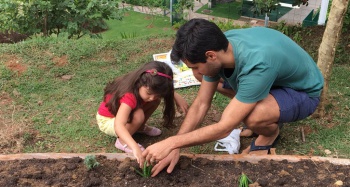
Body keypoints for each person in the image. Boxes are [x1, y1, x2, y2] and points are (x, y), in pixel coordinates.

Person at [142, 18, 324, 176]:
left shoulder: (257, 65)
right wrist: (176, 147)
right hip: (273, 78)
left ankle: (269, 135)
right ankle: (263, 106)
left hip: (302, 91)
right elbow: (201, 104)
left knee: (253, 116)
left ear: (211, 55)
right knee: (204, 76)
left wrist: (171, 142)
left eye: (194, 66)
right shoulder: (221, 44)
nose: (194, 72)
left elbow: (225, 128)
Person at [96, 61, 188, 166]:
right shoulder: (129, 96)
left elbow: (157, 90)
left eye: (157, 94)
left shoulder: (142, 86)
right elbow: (119, 125)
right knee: (138, 115)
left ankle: (139, 128)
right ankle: (122, 142)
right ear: (141, 82)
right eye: (149, 93)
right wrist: (134, 147)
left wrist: (175, 95)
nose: (152, 97)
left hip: (121, 115)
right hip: (108, 121)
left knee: (154, 102)